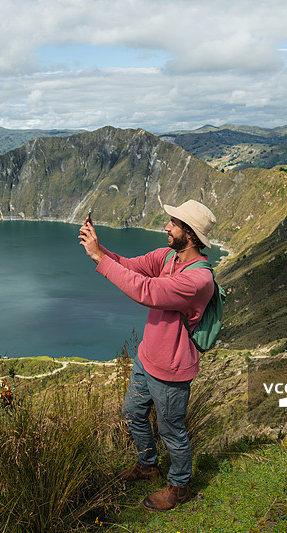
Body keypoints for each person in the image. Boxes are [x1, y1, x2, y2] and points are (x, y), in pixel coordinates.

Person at [78, 199, 216, 512]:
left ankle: (180, 485)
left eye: (174, 223)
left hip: (171, 368)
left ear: (190, 233)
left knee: (172, 431)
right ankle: (147, 465)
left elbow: (147, 292)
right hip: (147, 358)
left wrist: (99, 257)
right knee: (132, 412)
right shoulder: (168, 256)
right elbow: (130, 266)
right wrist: (98, 249)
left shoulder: (198, 280)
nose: (167, 226)